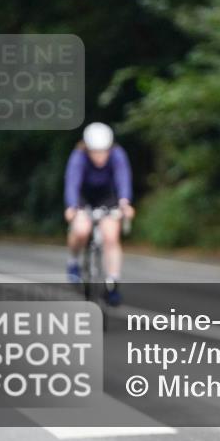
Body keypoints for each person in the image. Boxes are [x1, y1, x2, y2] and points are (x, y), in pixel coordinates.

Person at [64, 122, 135, 306]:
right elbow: (72, 182)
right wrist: (72, 207)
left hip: (107, 198)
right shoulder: (79, 157)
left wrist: (125, 203)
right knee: (81, 230)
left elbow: (123, 178)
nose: (99, 156)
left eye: (103, 151)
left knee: (111, 236)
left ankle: (112, 283)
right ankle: (73, 261)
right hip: (84, 197)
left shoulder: (117, 155)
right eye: (95, 151)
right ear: (87, 148)